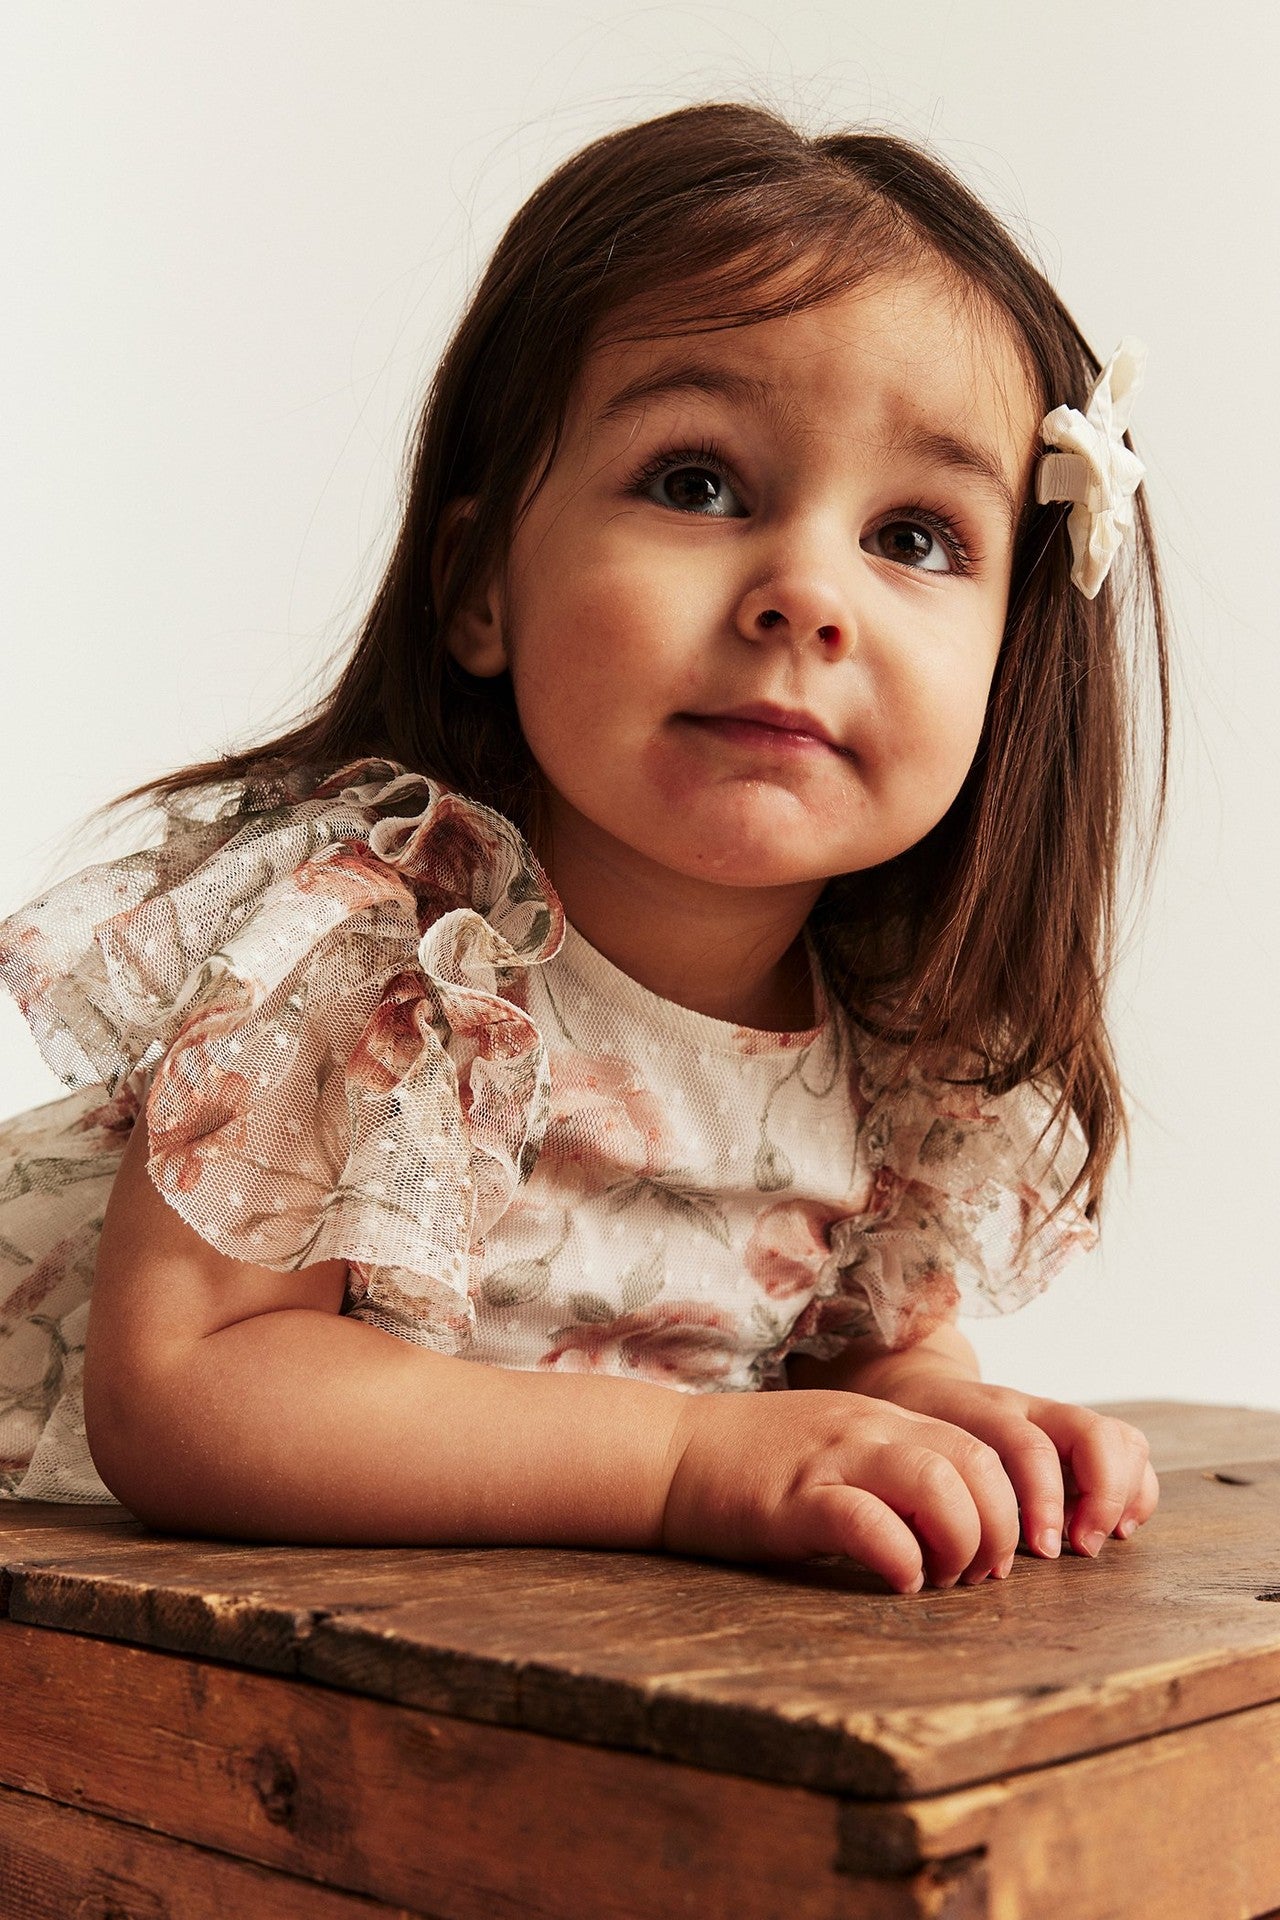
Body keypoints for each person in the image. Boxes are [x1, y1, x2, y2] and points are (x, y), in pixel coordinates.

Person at [0, 102, 1166, 1595]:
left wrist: (937, 1411)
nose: (807, 595)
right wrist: (687, 1463)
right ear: (481, 581)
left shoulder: (909, 1049)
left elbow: (862, 1332)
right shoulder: (382, 952)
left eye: (916, 537)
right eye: (698, 485)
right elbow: (190, 1390)